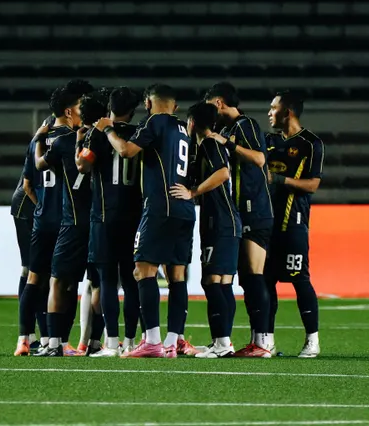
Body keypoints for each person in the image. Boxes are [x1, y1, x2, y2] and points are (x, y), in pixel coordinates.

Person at [96, 83, 195, 358]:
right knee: (177, 275)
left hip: (159, 207)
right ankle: (172, 342)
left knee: (142, 270)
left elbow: (127, 150)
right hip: (185, 207)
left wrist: (108, 129)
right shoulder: (184, 129)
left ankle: (152, 341)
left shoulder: (154, 122)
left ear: (148, 104)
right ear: (175, 106)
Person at [14, 80, 92, 357]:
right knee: (65, 283)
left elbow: (27, 185)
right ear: (69, 111)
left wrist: (42, 207)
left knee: (34, 278)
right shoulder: (72, 140)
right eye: (80, 107)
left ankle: (24, 339)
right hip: (67, 221)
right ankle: (60, 341)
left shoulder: (38, 138)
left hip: (41, 219)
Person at [34, 92, 107, 357]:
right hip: (100, 223)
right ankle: (97, 343)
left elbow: (39, 164)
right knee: (98, 284)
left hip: (72, 222)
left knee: (59, 282)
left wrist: (39, 139)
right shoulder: (107, 140)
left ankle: (55, 342)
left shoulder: (64, 141)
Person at [204, 82, 274, 358]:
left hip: (254, 211)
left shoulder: (246, 125)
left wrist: (228, 144)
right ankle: (254, 341)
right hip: (238, 212)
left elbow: (259, 158)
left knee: (254, 275)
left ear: (219, 102)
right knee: (245, 278)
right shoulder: (226, 130)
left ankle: (263, 342)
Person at [170, 102, 242, 358]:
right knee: (222, 282)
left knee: (212, 281)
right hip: (226, 220)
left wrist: (193, 192)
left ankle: (223, 343)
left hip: (220, 221)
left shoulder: (209, 144)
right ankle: (221, 341)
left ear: (191, 122)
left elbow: (223, 173)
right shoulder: (211, 145)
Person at [77, 87, 142, 357]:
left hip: (104, 217)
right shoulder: (139, 133)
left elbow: (83, 166)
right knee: (131, 281)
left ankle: (111, 343)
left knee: (106, 281)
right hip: (134, 217)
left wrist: (80, 143)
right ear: (133, 111)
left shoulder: (97, 133)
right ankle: (130, 342)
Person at [265, 92, 324, 358]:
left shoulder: (310, 143)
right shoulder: (268, 141)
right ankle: (267, 341)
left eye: (273, 108)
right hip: (266, 223)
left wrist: (279, 180)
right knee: (265, 281)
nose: (269, 112)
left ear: (287, 112)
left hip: (294, 223)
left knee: (299, 279)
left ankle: (312, 340)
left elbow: (313, 184)